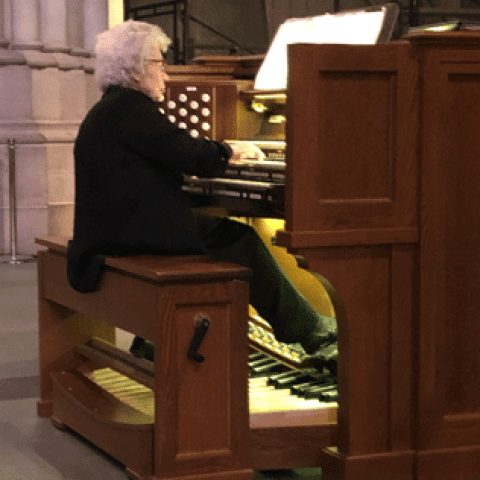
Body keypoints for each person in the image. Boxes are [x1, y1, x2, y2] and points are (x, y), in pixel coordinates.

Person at [67, 20, 338, 374]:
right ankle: (312, 331)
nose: (165, 75)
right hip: (129, 234)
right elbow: (190, 154)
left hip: (117, 228)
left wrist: (220, 156)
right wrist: (231, 150)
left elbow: (166, 158)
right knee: (241, 240)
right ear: (135, 71)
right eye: (159, 63)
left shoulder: (113, 108)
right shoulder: (130, 109)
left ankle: (153, 342)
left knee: (220, 231)